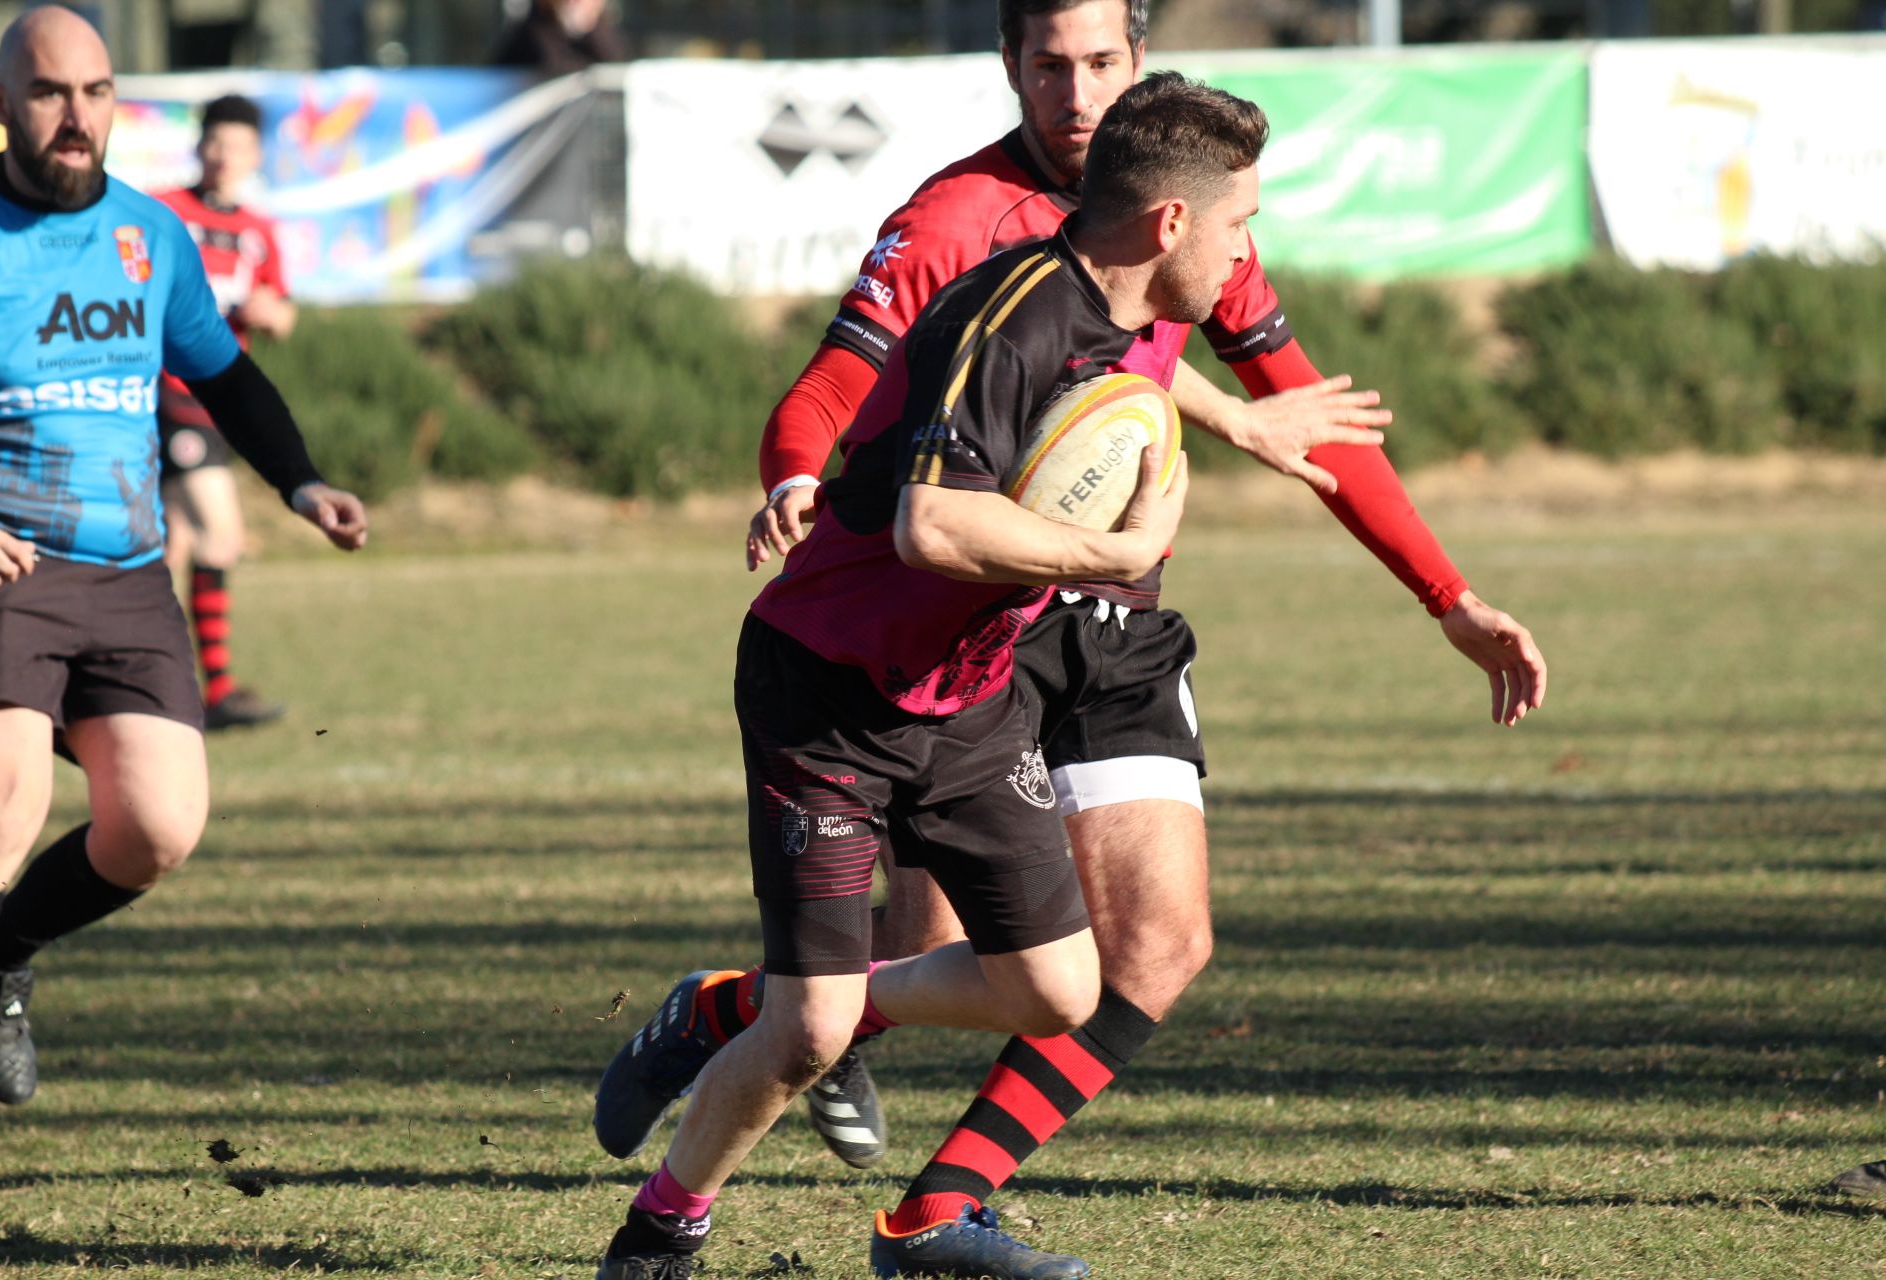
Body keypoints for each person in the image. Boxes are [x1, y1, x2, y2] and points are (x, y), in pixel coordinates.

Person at [596, 6, 1546, 1265]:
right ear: (1010, 66)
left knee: (1136, 953)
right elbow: (858, 392)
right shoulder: (968, 230)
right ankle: (734, 1087)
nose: (1076, 89)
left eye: (1102, 61)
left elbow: (1250, 396)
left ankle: (925, 1206)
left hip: (1078, 624)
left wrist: (1446, 593)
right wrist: (795, 470)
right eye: (1050, 63)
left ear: (1139, 66)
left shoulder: (1185, 207)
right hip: (956, 620)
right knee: (891, 972)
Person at [590, 71, 1269, 1280]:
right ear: (1170, 223)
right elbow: (930, 527)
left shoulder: (1116, 322)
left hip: (967, 696)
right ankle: (661, 1226)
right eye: (1239, 223)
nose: (1245, 251)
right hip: (828, 694)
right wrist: (1111, 553)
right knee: (813, 1029)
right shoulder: (1013, 315)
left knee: (1059, 988)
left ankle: (727, 1004)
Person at [0, 6, 368, 1108]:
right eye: (48, 93)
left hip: (128, 574)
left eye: (95, 93)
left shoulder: (151, 236)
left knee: (155, 828)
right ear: (1, 105)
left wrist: (301, 479)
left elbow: (227, 375)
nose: (74, 115)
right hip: (0, 567)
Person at [153, 94, 296, 731]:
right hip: (164, 395)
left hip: (219, 402)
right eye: (214, 142)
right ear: (198, 145)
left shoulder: (259, 232)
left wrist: (272, 315)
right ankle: (218, 689)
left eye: (235, 145)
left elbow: (284, 310)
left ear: (255, 155)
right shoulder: (162, 213)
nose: (222, 155)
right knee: (221, 532)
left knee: (169, 547)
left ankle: (153, 687)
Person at [492, 0, 628, 74]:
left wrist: (589, 23)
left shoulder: (603, 31)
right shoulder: (531, 35)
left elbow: (616, 65)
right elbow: (554, 69)